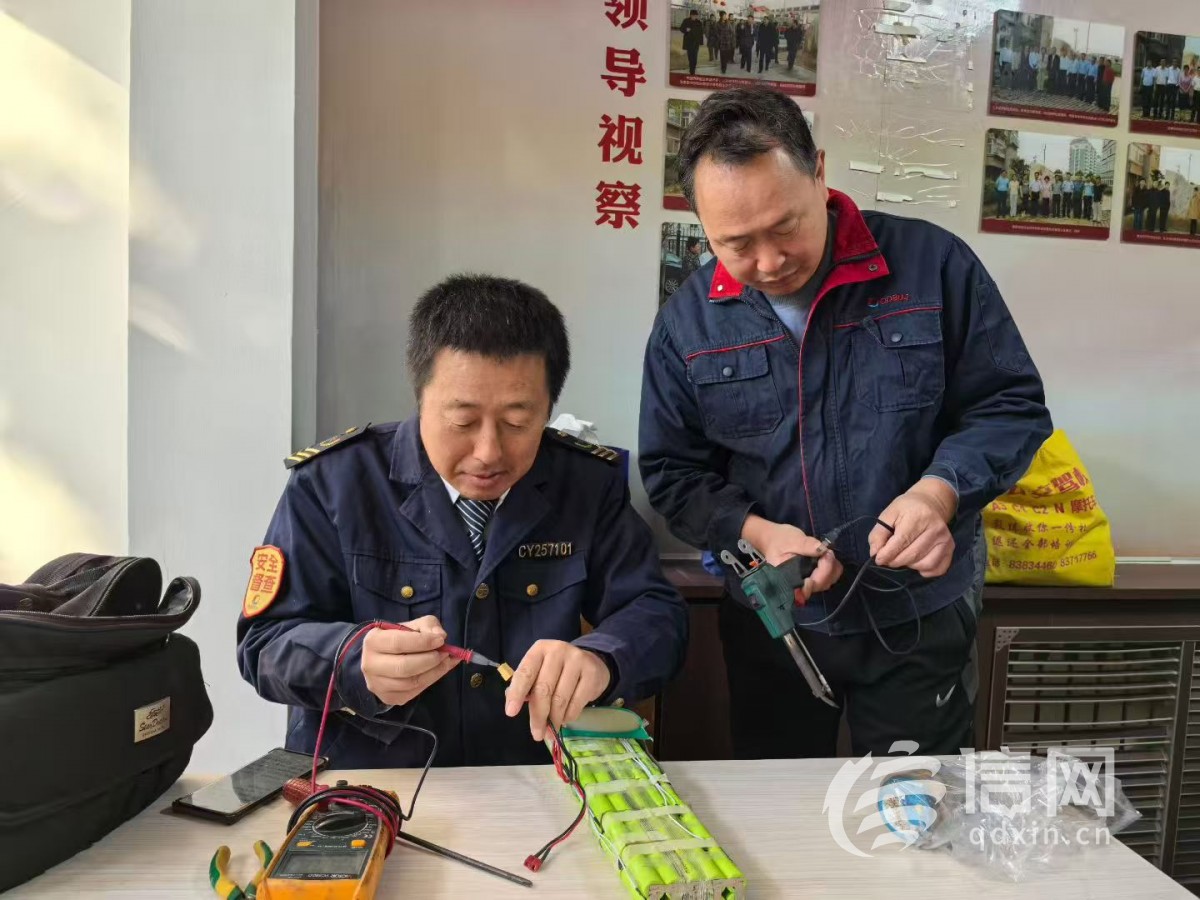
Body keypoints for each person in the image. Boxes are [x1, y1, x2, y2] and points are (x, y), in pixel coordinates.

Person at [638, 88, 1051, 759]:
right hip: (776, 621)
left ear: (820, 172)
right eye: (736, 244)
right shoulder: (688, 322)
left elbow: (1009, 407)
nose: (769, 262)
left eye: (786, 227)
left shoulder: (932, 267)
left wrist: (938, 494)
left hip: (917, 614)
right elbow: (673, 474)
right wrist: (759, 533)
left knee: (917, 806)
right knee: (778, 804)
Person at [238, 275, 689, 768]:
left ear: (549, 407)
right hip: (369, 784)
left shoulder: (585, 484)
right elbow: (263, 645)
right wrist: (351, 660)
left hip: (529, 777)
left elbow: (655, 612)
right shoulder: (333, 484)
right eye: (462, 421)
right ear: (420, 397)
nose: (488, 451)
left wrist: (602, 658)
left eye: (518, 422)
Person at [680, 9, 704, 76]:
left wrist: (701, 42)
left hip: (696, 42)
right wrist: (686, 30)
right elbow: (681, 28)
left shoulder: (699, 22)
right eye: (693, 15)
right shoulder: (686, 21)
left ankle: (693, 68)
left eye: (696, 16)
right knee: (690, 57)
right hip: (689, 42)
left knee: (695, 57)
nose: (694, 17)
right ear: (690, 15)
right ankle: (692, 70)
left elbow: (701, 33)